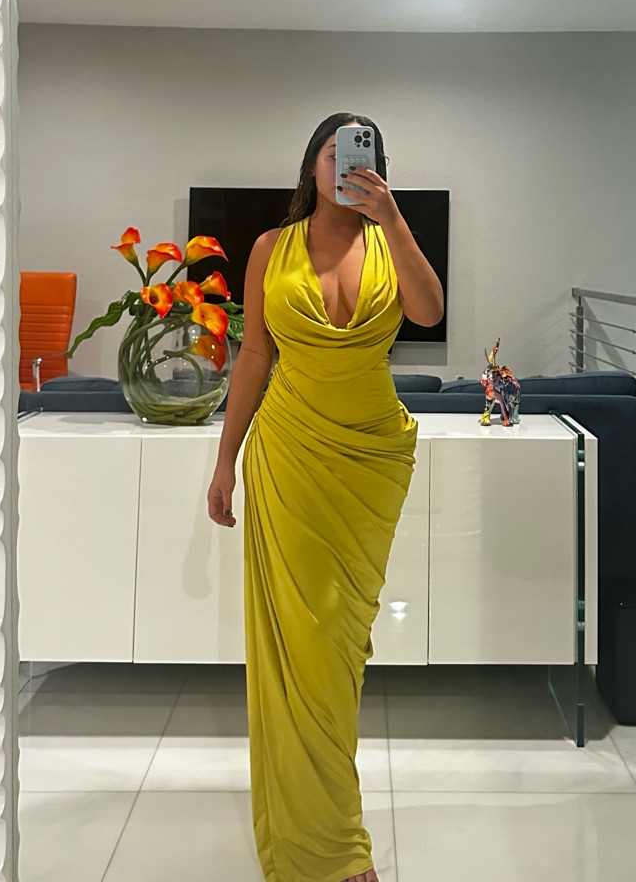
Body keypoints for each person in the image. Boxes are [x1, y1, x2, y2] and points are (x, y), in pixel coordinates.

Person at [207, 112, 444, 882]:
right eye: (332, 152)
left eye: (358, 154)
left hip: (369, 457)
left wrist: (394, 219)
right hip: (288, 452)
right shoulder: (270, 248)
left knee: (340, 643)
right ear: (311, 163)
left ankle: (323, 827)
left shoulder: (388, 239)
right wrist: (224, 461)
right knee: (304, 645)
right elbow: (254, 353)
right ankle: (331, 845)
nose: (343, 165)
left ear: (377, 167)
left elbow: (428, 312)